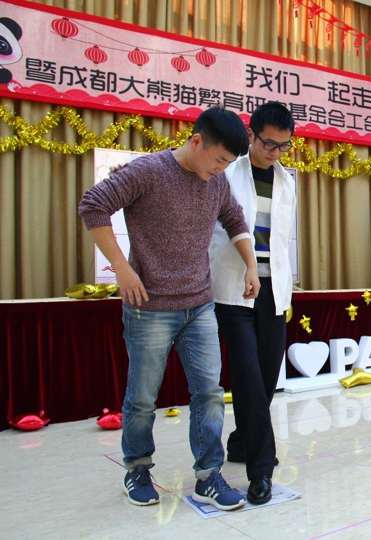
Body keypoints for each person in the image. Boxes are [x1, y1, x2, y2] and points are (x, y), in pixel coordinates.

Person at [78, 106, 255, 510]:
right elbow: (93, 205)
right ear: (197, 142)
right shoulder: (149, 171)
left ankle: (209, 476)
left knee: (209, 393)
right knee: (143, 397)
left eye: (228, 164)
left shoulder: (216, 182)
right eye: (219, 160)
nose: (221, 170)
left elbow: (235, 219)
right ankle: (137, 468)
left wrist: (250, 263)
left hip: (200, 304)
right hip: (149, 306)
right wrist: (121, 267)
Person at [208, 102, 296, 505]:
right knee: (246, 374)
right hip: (233, 287)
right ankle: (261, 470)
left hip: (273, 289)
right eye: (268, 143)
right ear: (251, 135)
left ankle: (242, 442)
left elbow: (281, 240)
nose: (274, 152)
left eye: (283, 145)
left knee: (266, 374)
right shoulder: (227, 172)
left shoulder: (287, 182)